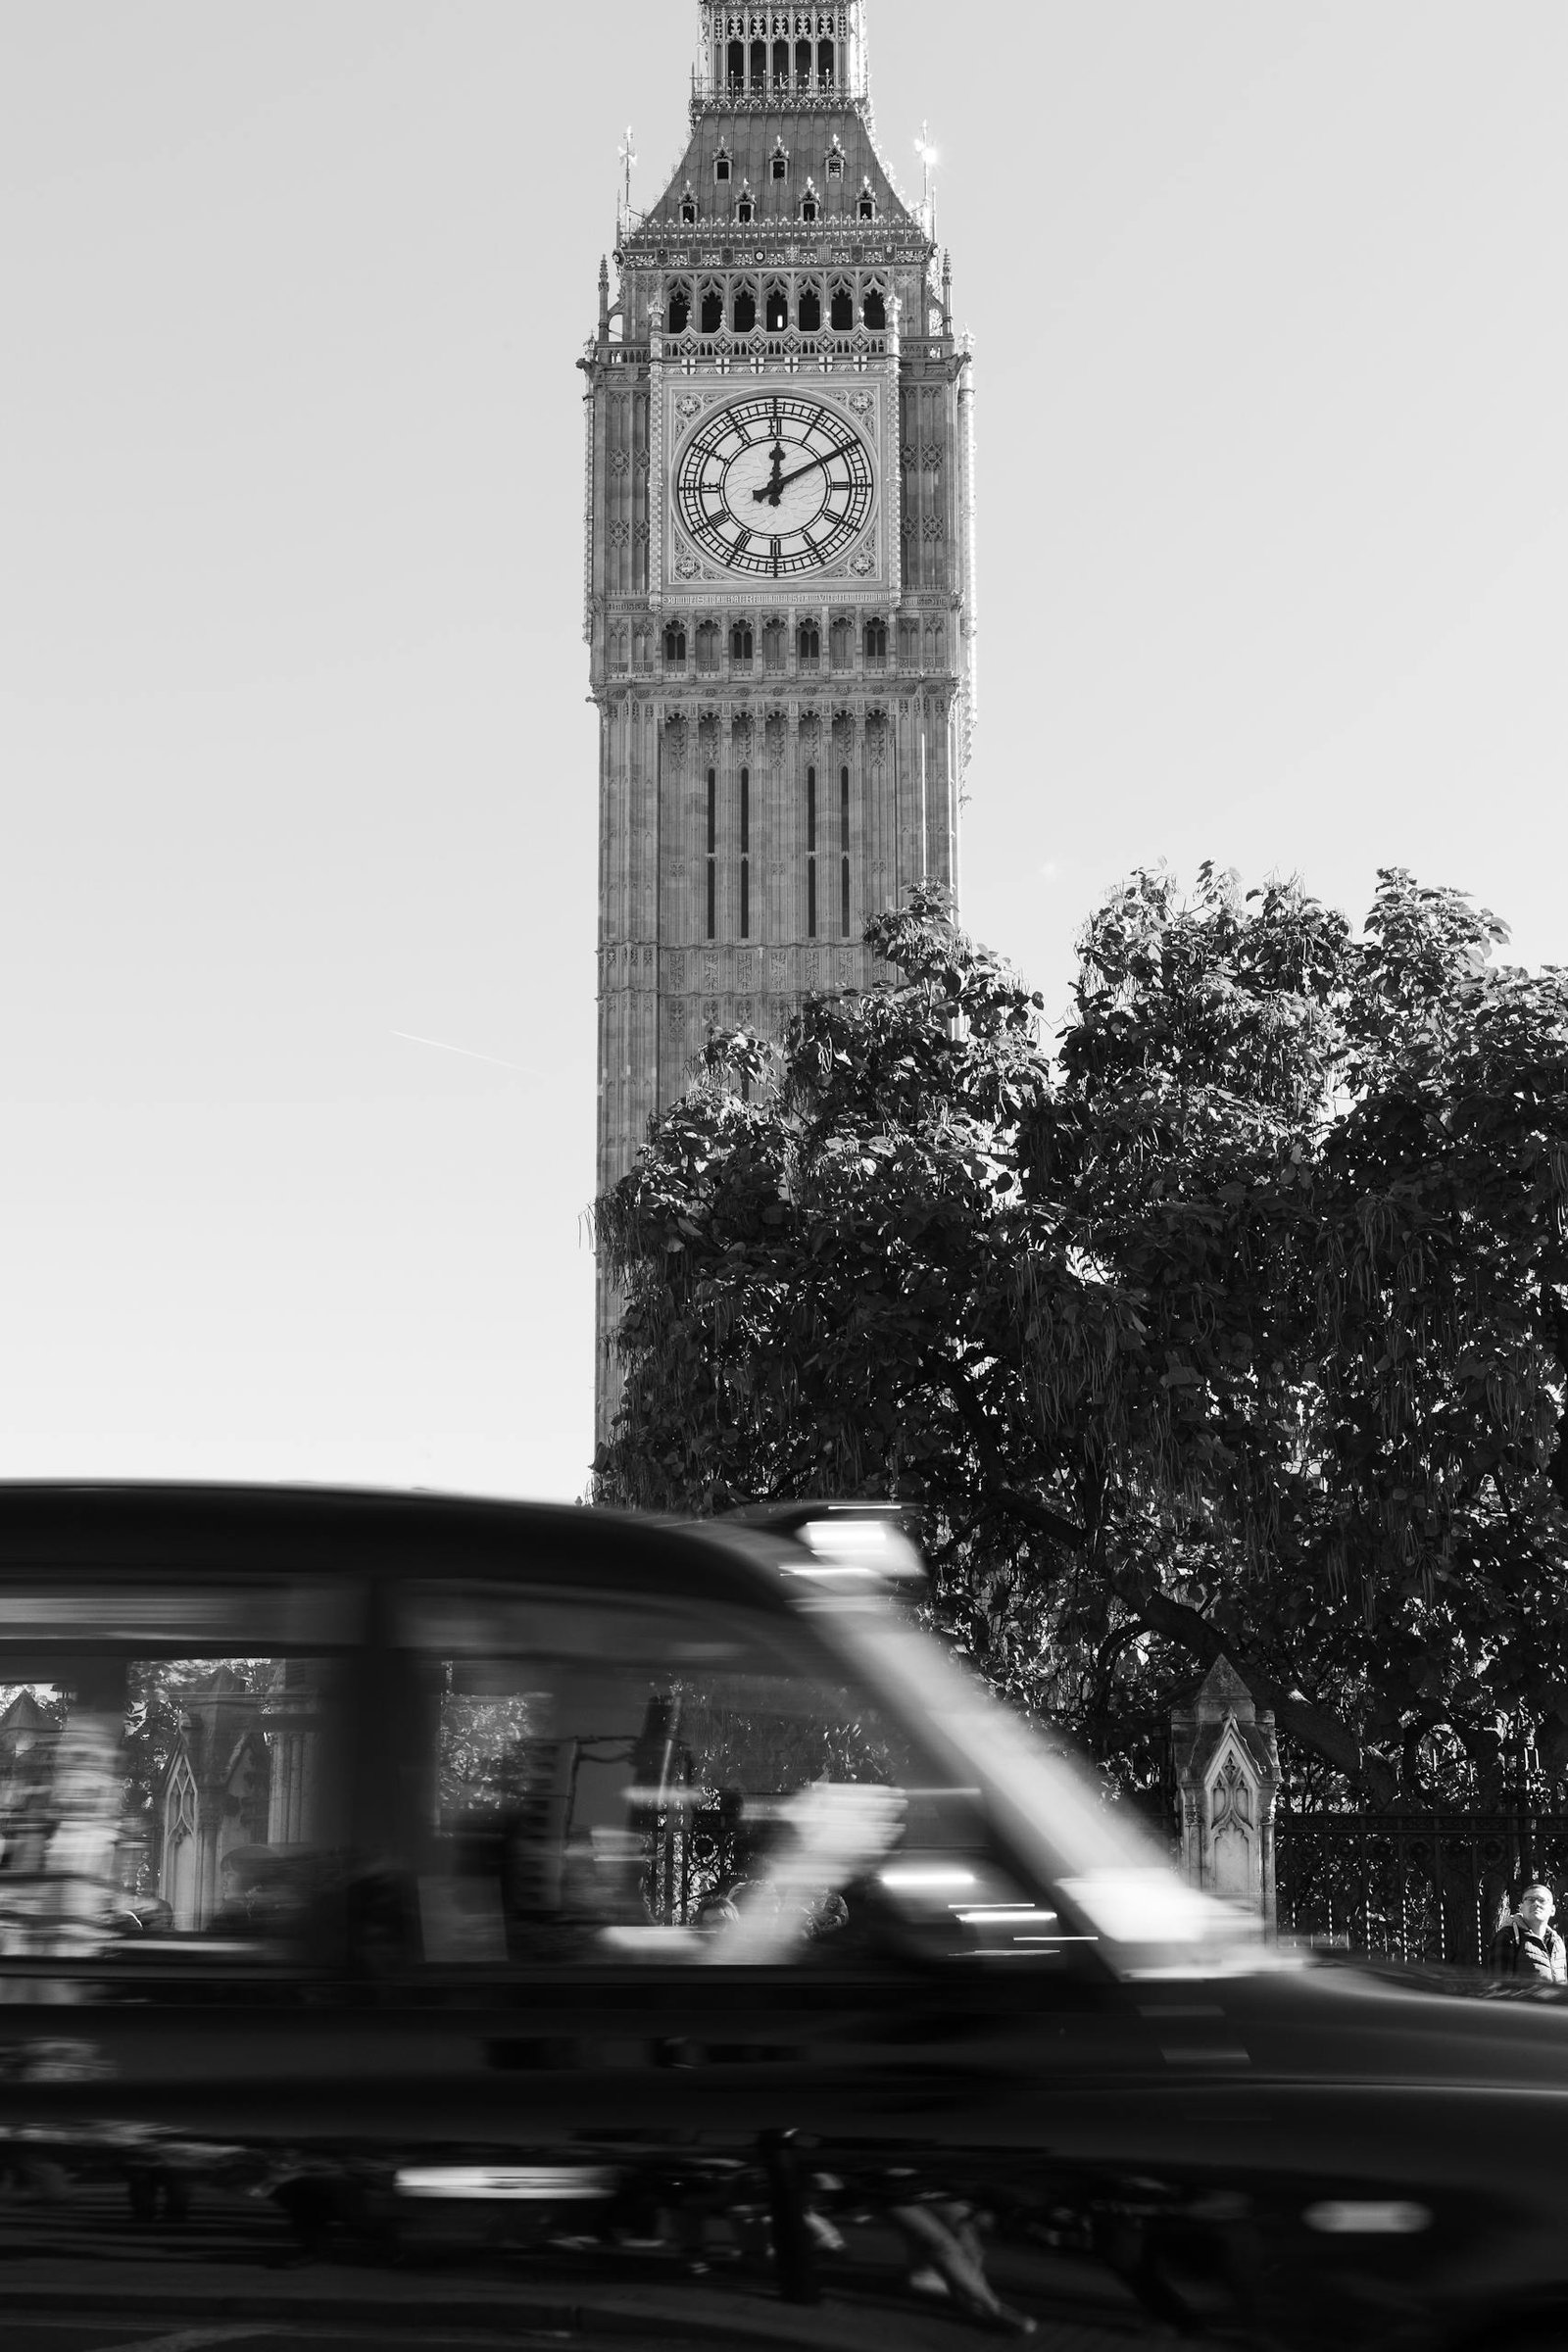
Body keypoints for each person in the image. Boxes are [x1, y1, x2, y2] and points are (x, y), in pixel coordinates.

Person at [1492, 1884, 1568, 1984]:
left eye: (1542, 1900)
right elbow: (1500, 1986)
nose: (1536, 1903)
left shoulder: (1557, 1943)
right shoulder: (1508, 1936)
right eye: (1530, 1899)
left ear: (1552, 1910)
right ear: (1521, 1908)